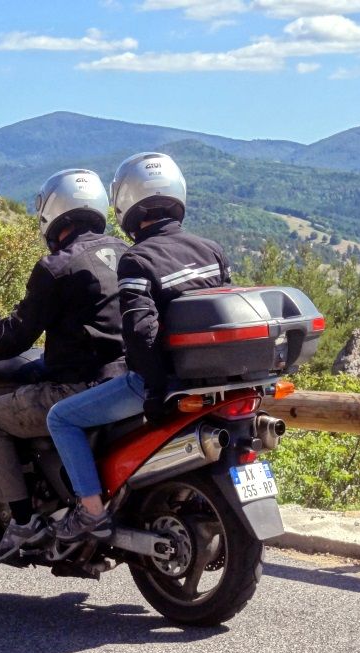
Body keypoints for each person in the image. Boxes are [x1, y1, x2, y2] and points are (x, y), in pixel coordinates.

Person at [0, 169, 128, 562]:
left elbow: (13, 337)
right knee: (31, 376)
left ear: (53, 213)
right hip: (128, 382)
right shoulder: (126, 253)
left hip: (81, 388)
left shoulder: (57, 266)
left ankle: (22, 522)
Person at [46, 152, 231, 542]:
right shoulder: (211, 250)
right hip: (213, 380)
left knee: (61, 418)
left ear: (126, 206)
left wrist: (153, 389)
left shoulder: (137, 259)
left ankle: (90, 510)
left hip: (163, 380)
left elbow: (141, 330)